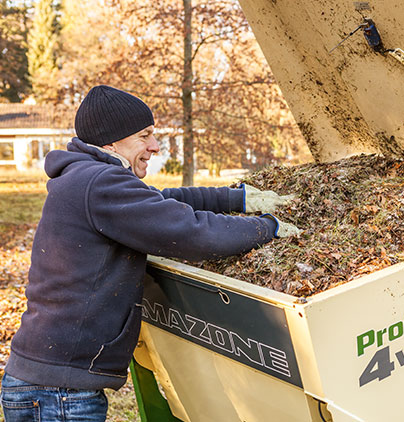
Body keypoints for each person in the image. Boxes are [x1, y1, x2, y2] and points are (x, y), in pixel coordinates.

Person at [0, 85, 299, 421]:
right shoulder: (99, 184)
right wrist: (267, 227)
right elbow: (190, 232)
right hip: (58, 392)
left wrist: (237, 199)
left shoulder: (90, 178)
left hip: (49, 382)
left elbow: (160, 200)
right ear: (112, 141)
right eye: (145, 136)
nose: (155, 147)